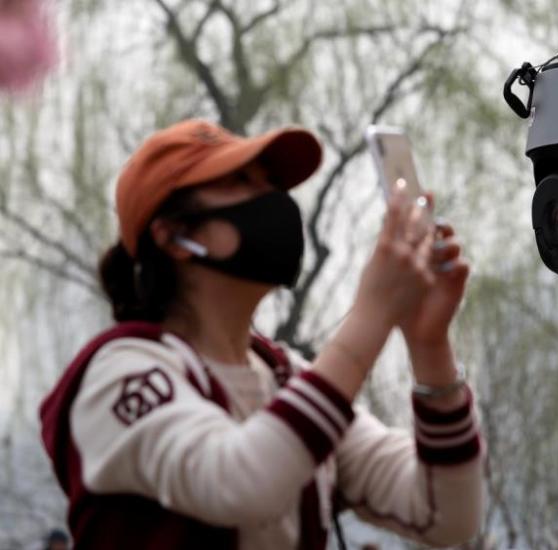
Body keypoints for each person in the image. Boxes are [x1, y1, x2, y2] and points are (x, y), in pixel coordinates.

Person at [38, 119, 483, 549]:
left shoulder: (286, 378)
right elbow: (237, 483)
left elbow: (446, 516)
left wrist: (429, 345)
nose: (272, 198)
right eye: (241, 182)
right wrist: (372, 316)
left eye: (270, 182)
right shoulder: (120, 374)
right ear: (173, 237)